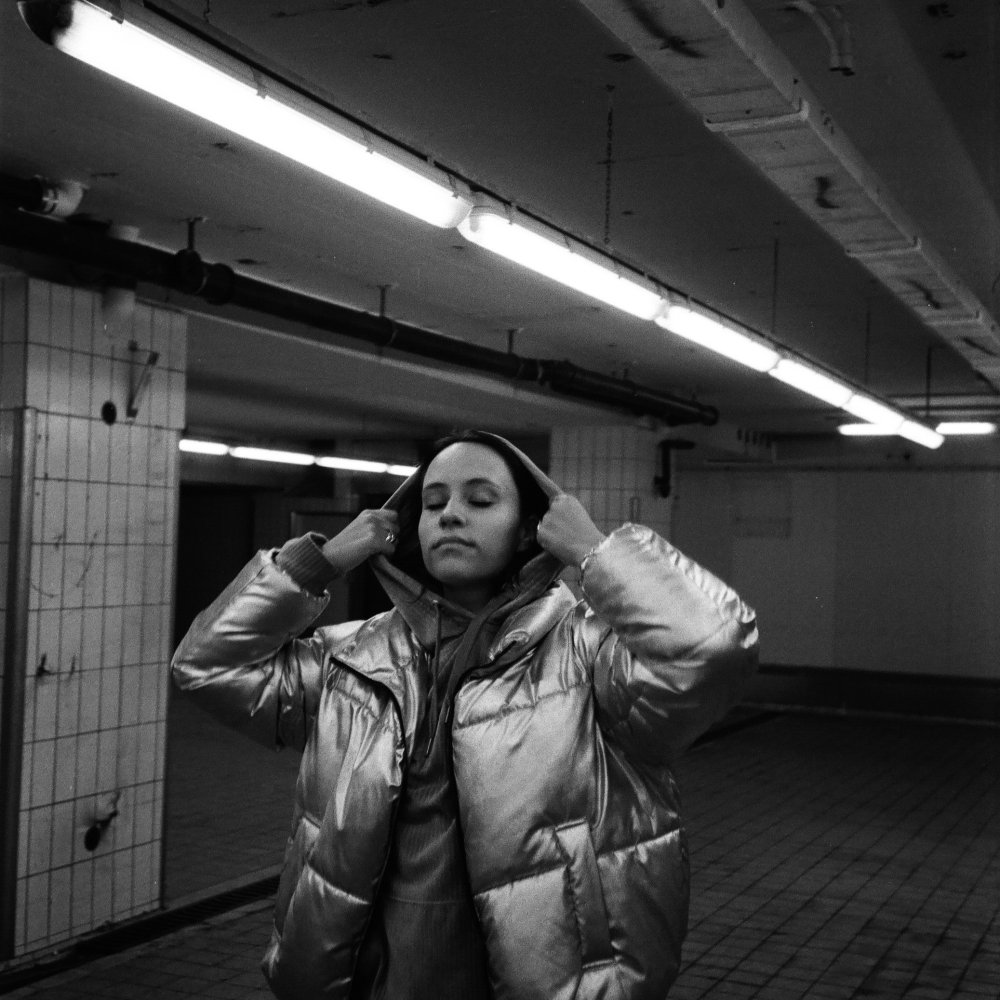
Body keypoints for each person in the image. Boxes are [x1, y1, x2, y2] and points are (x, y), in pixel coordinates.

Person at [171, 429, 758, 1000]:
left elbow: (710, 649)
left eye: (480, 501)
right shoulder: (354, 658)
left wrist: (594, 552)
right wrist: (318, 563)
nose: (450, 515)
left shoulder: (589, 656)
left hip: (548, 975)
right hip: (374, 978)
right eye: (433, 504)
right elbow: (206, 666)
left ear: (528, 529)